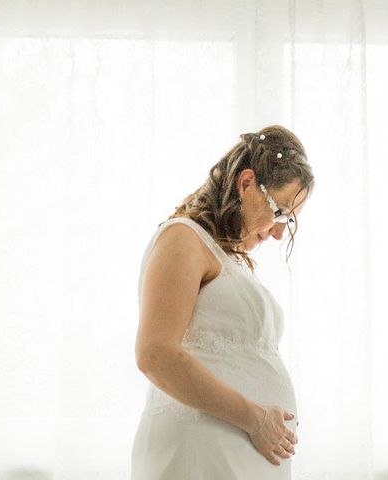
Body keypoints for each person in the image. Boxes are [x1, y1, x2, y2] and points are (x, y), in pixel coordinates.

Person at [131, 125, 315, 479]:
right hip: (199, 450)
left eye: (289, 220)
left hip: (233, 455)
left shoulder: (230, 260)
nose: (279, 232)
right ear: (246, 184)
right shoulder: (182, 238)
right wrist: (256, 419)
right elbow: (155, 354)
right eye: (279, 211)